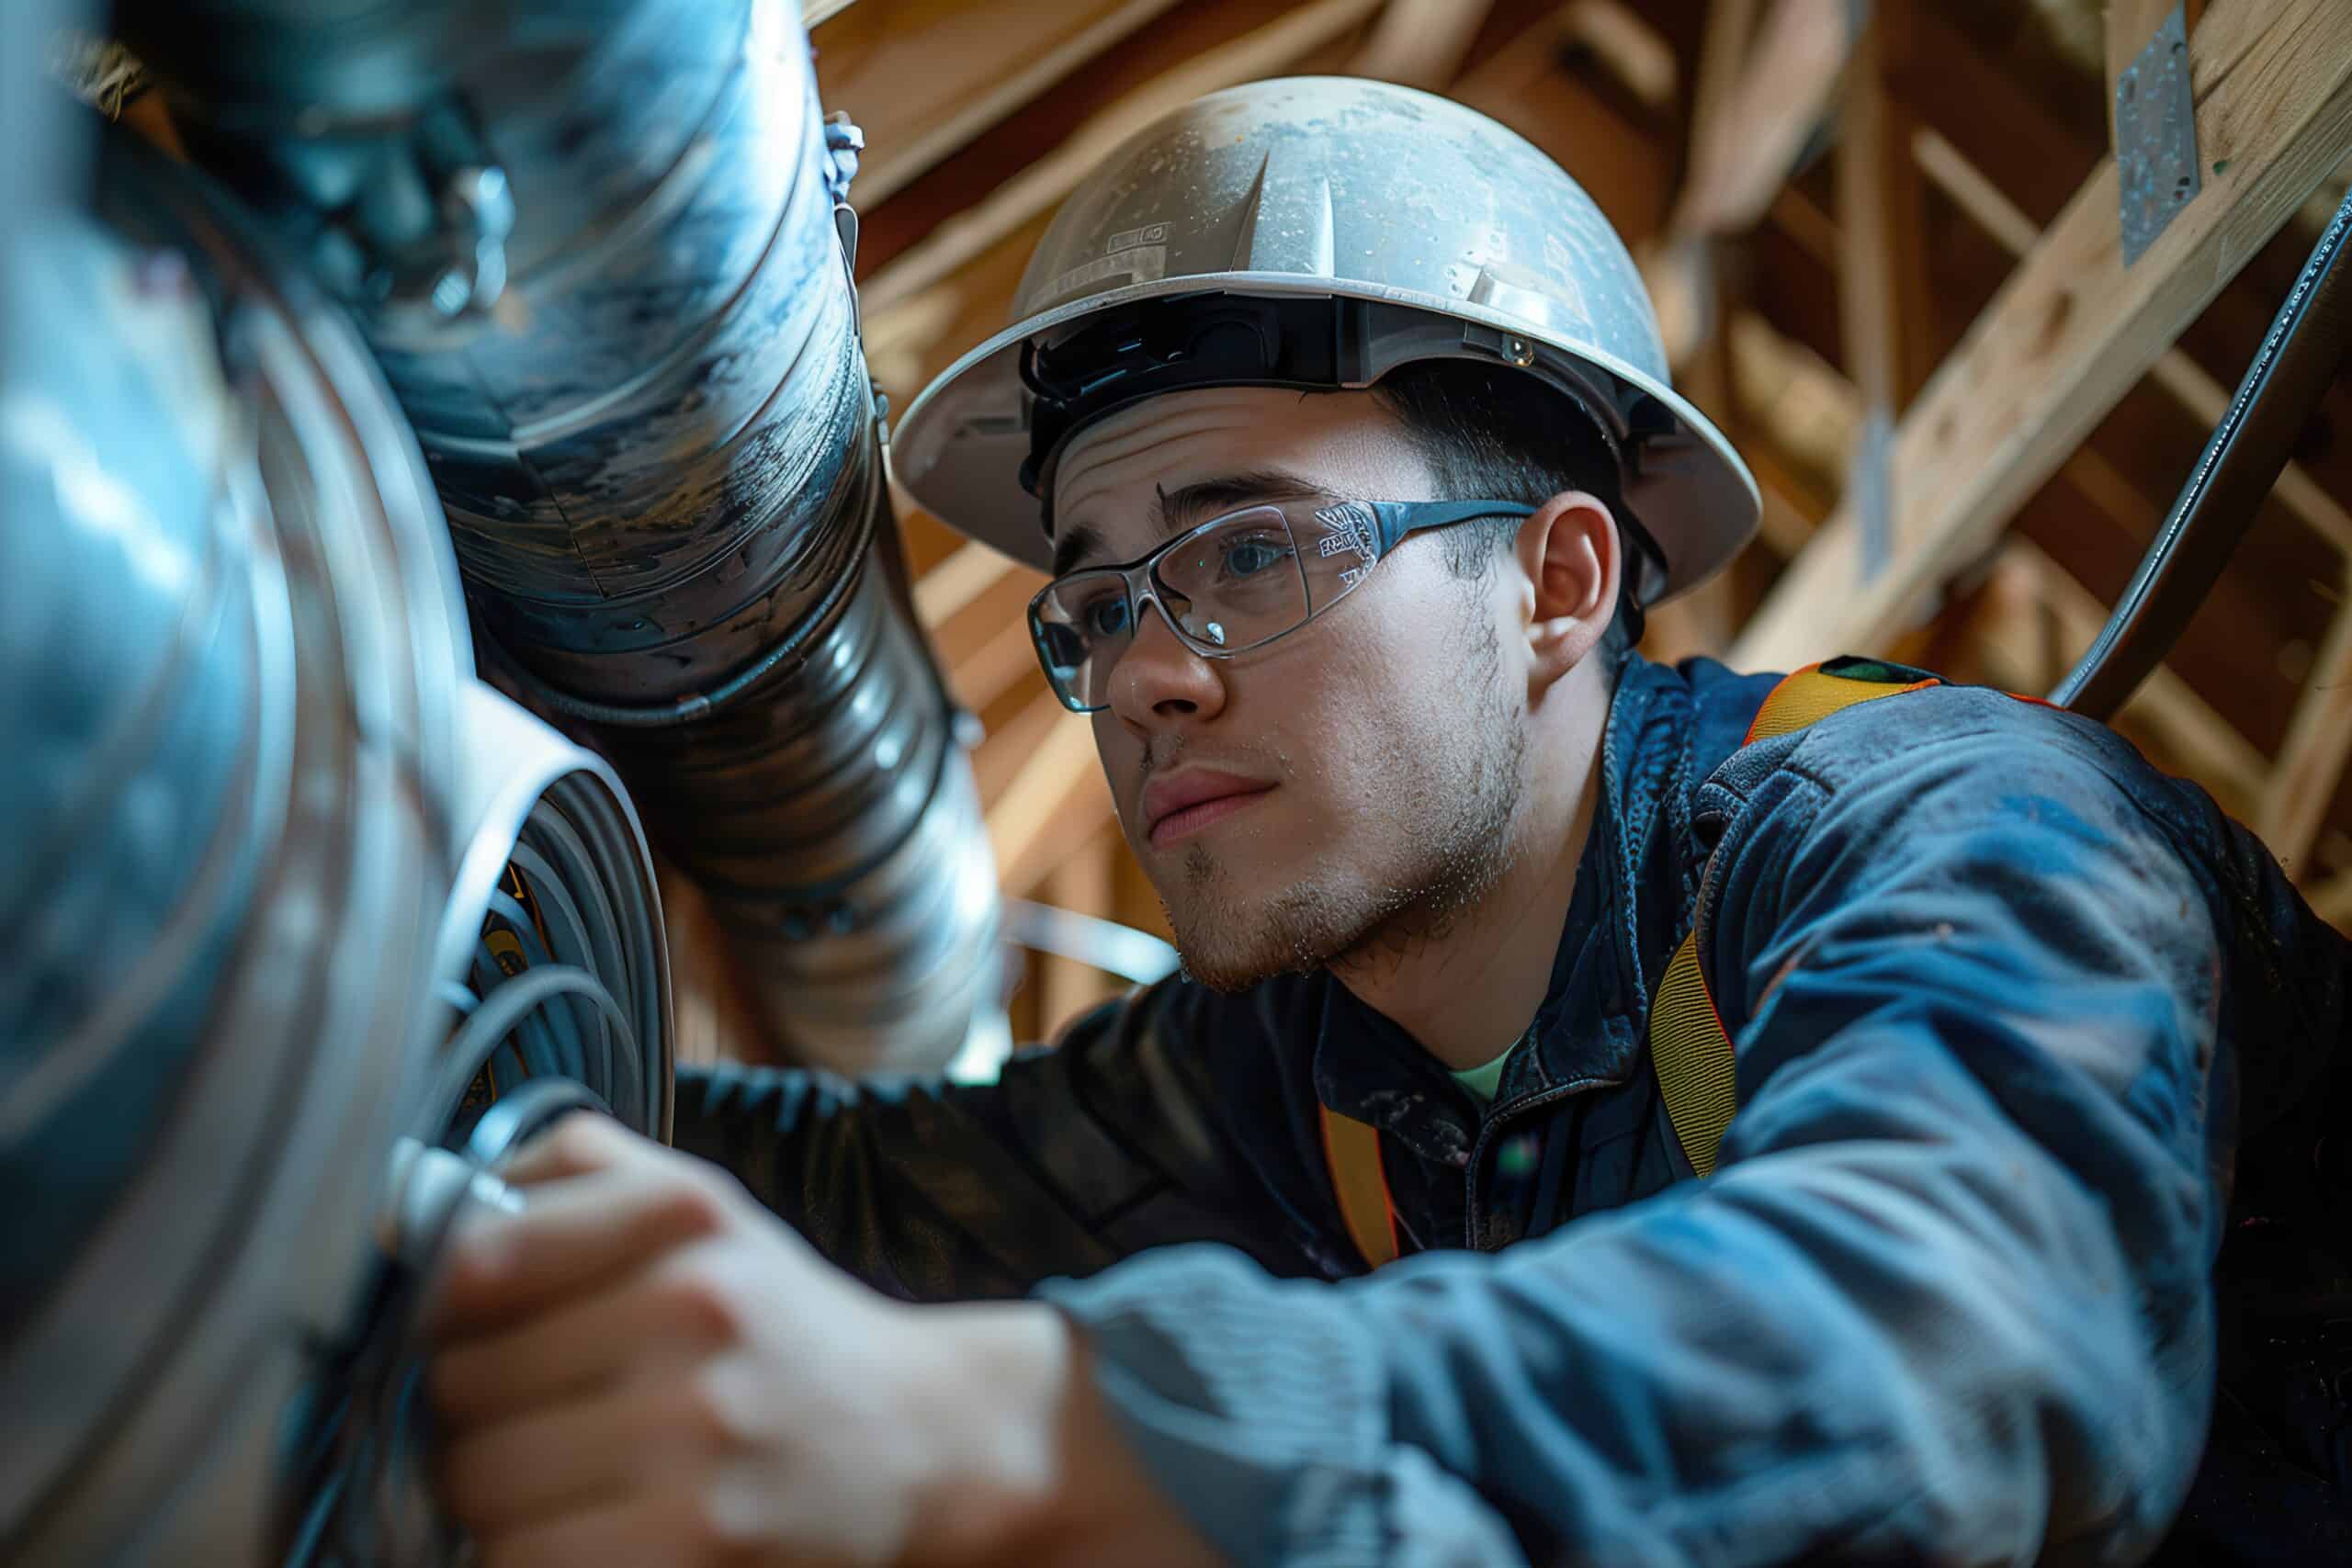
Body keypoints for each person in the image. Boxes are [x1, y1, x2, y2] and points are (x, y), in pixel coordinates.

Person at [423, 78, 2346, 1566]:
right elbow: (885, 1200)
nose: (1145, 677)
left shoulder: (1944, 834)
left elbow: (1960, 1338)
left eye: (1246, 551)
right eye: (1094, 609)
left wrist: (1043, 1429)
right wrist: (404, 1116)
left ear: (1555, 585)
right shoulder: (1307, 1059)